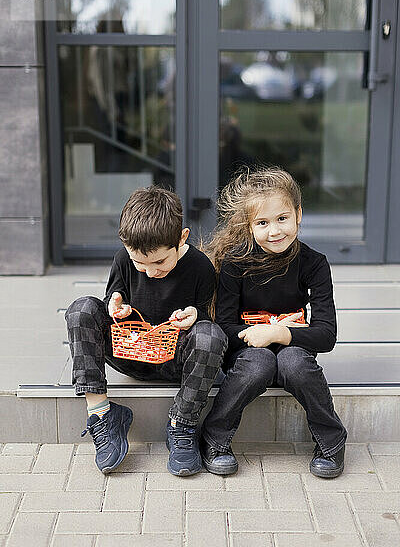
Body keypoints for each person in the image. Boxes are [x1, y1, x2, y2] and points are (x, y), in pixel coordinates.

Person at [65, 186, 227, 476]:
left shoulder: (200, 267)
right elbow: (114, 298)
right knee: (81, 309)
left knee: (210, 335)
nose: (150, 272)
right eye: (139, 263)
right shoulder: (123, 259)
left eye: (160, 262)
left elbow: (203, 315)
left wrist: (195, 315)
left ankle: (182, 424)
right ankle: (102, 414)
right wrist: (116, 305)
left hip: (175, 360)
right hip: (130, 352)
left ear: (182, 238)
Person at [200, 166, 347, 478]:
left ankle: (331, 441)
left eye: (282, 218)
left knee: (295, 364)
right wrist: (258, 335)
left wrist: (279, 332)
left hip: (294, 345)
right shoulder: (234, 264)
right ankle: (215, 437)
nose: (275, 230)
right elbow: (224, 325)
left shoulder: (314, 264)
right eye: (263, 223)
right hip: (248, 350)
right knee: (259, 365)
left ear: (298, 214)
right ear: (250, 225)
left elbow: (326, 334)